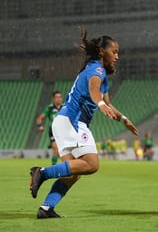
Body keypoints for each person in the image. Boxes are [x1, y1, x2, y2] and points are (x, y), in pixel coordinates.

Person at [29, 28, 139, 219]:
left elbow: (107, 101)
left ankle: (46, 209)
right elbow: (93, 89)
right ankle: (42, 173)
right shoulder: (97, 69)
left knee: (73, 172)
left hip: (63, 122)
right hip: (73, 121)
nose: (117, 56)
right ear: (101, 52)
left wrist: (123, 119)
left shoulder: (100, 72)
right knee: (92, 164)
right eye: (114, 51)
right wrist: (101, 104)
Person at [36, 91, 64, 165]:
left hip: (64, 132)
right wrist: (40, 126)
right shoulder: (50, 108)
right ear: (53, 99)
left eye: (60, 97)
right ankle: (54, 168)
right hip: (53, 131)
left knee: (63, 152)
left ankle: (67, 168)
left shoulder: (65, 107)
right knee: (57, 150)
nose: (58, 99)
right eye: (56, 97)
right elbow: (40, 118)